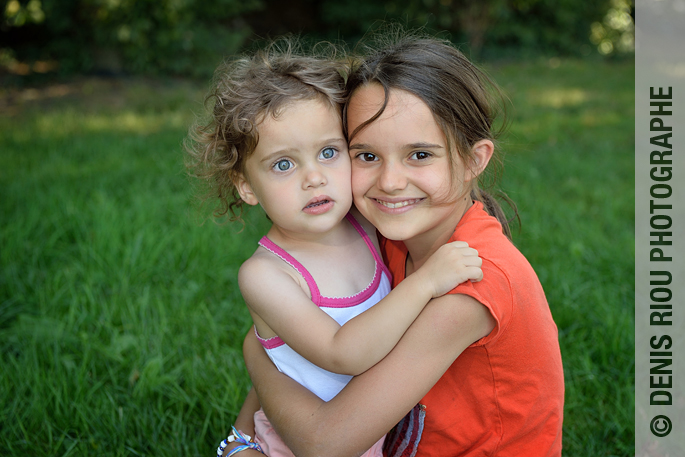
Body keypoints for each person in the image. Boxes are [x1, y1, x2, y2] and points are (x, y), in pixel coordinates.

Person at [241, 32, 565, 457]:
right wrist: (241, 440)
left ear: (474, 159)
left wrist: (256, 354)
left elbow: (326, 443)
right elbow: (297, 350)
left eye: (420, 155)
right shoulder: (390, 236)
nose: (390, 183)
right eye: (367, 156)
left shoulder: (469, 287)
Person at [185, 39, 485, 457]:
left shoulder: (365, 226)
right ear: (247, 186)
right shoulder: (267, 275)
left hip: (364, 432)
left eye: (328, 152)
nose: (314, 178)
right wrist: (426, 282)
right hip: (293, 442)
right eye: (283, 164)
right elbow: (343, 354)